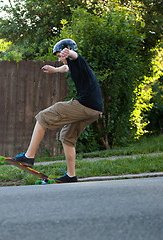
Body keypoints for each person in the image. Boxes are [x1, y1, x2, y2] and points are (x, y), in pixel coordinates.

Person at [12, 39, 103, 183]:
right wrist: (55, 70)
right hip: (95, 110)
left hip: (85, 105)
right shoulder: (72, 66)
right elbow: (66, 68)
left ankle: (28, 157)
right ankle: (71, 176)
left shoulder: (78, 61)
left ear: (67, 52)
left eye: (60, 56)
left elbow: (75, 56)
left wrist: (69, 53)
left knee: (43, 117)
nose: (60, 59)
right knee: (67, 136)